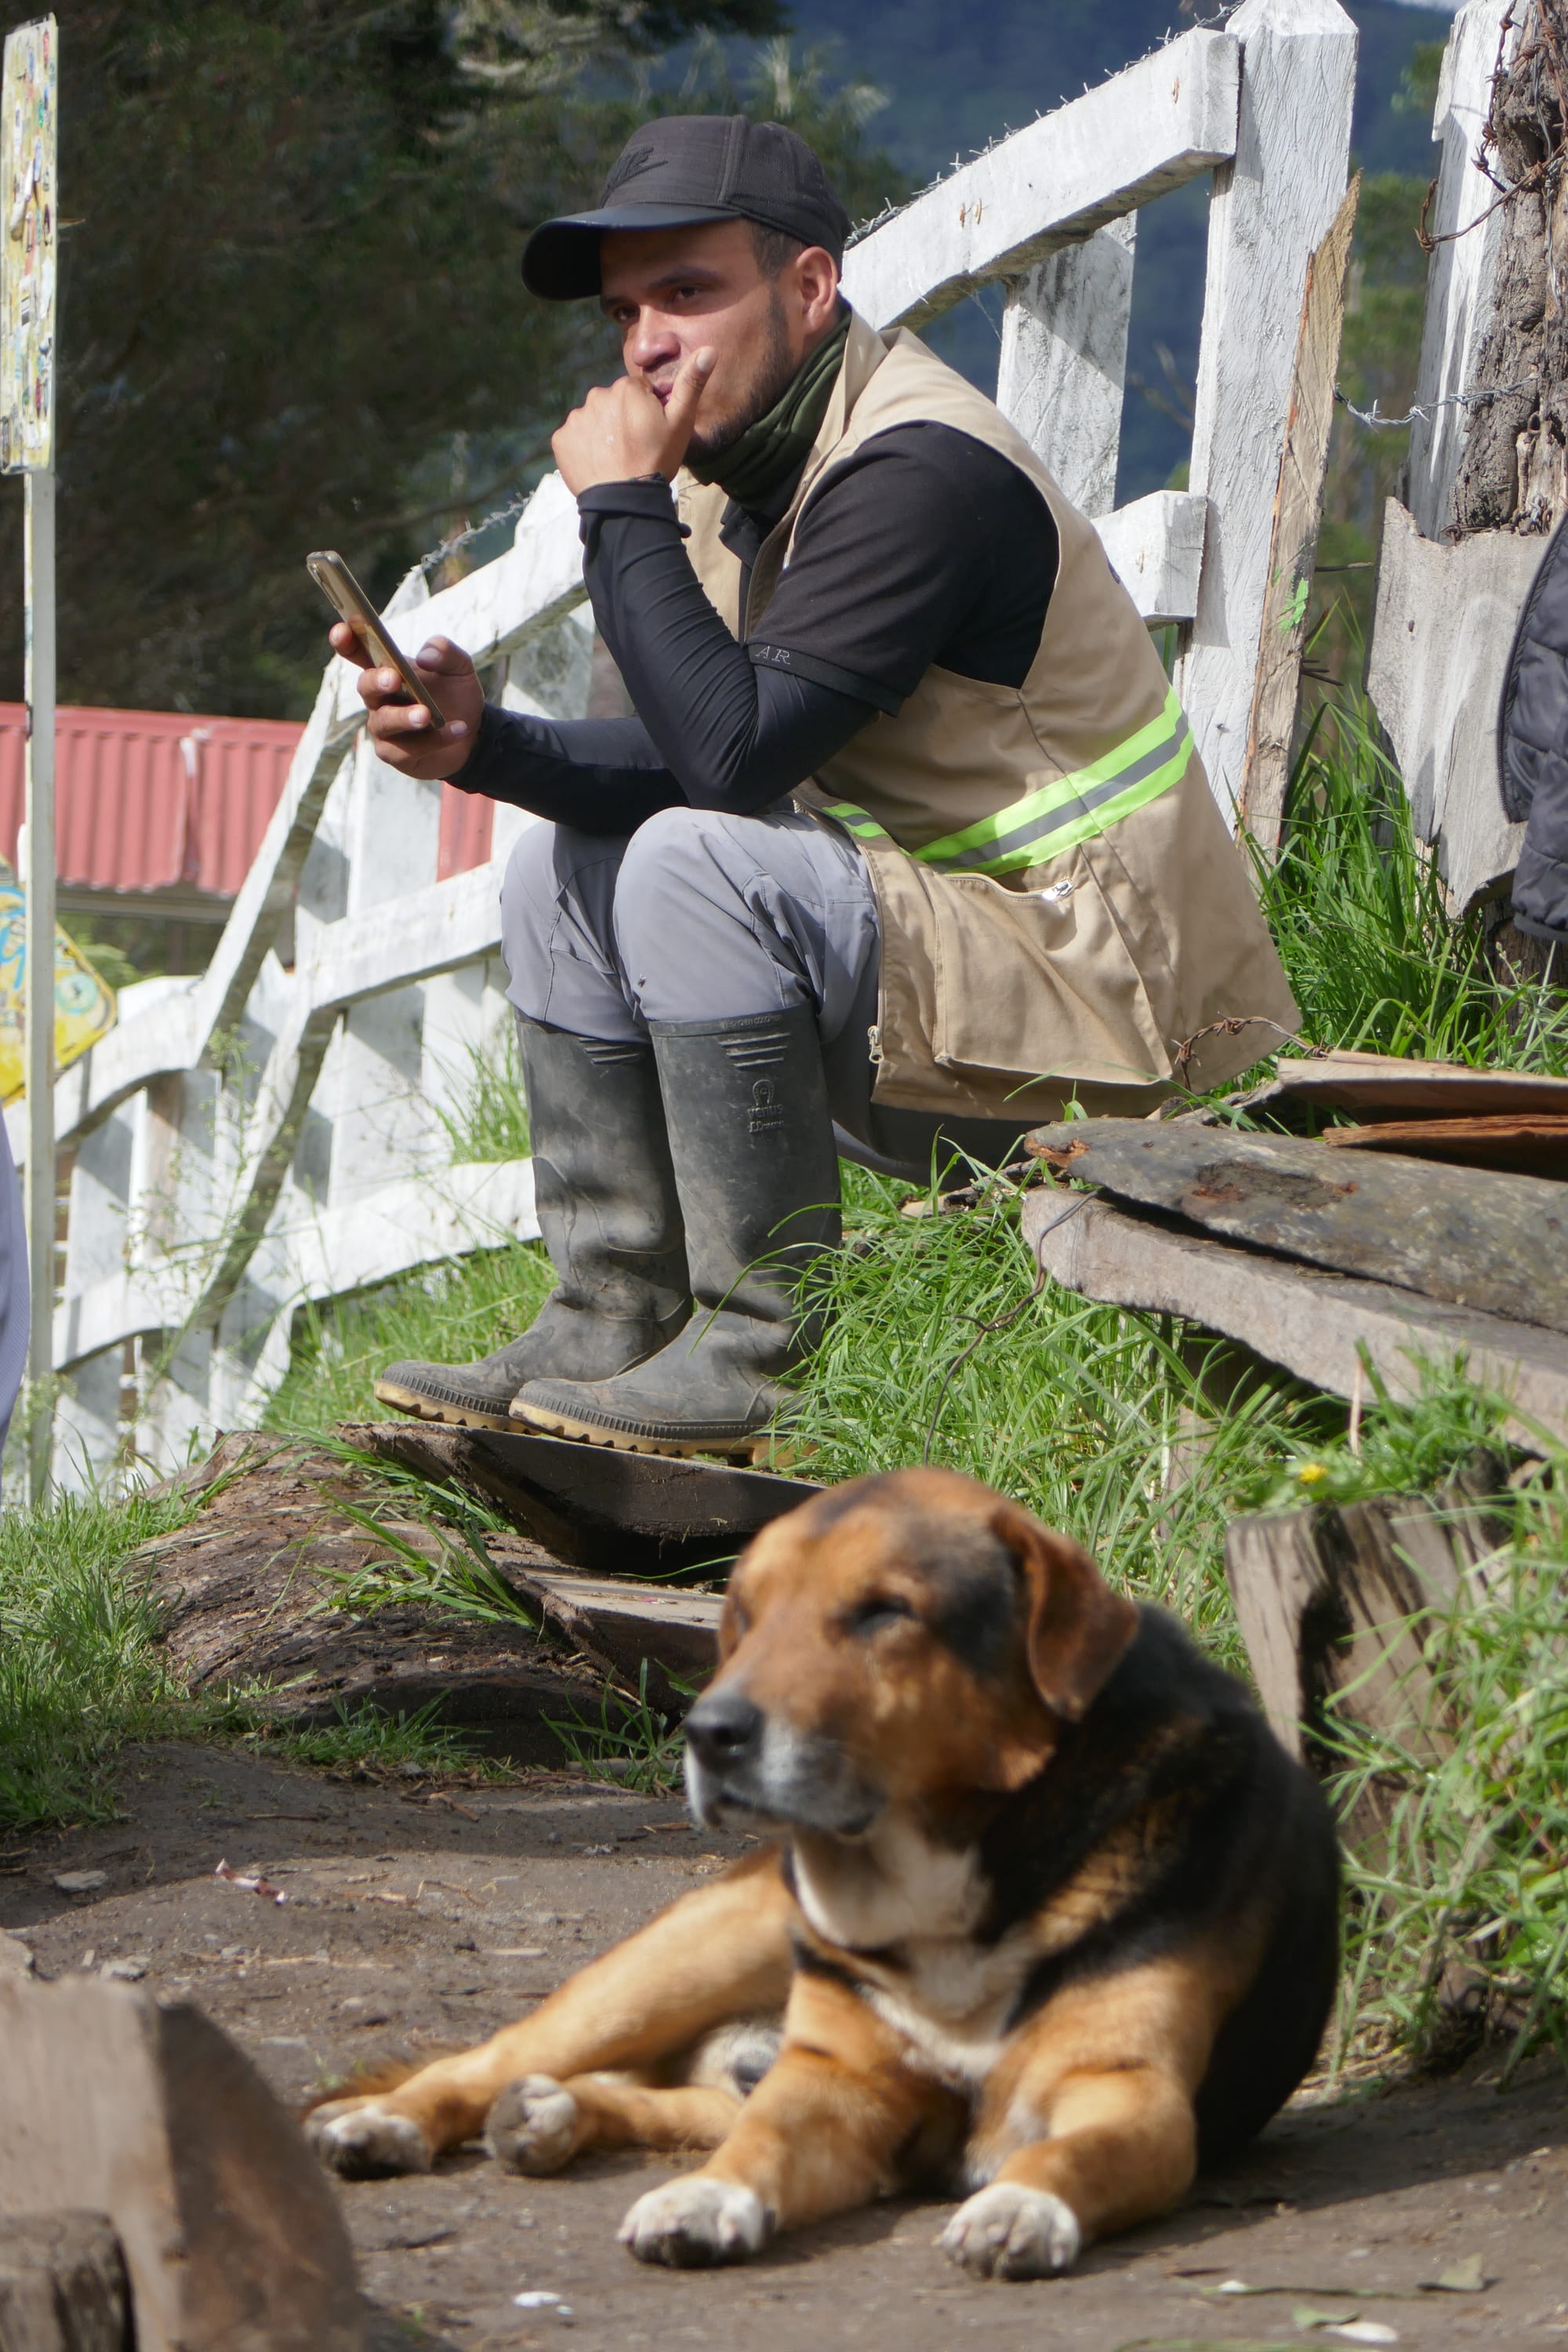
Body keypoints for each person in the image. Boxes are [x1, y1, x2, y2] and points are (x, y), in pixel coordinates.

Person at [335, 114, 1298, 1463]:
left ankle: (758, 1351)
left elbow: (727, 772)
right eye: (626, 311)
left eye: (688, 293)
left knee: (687, 859)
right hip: (968, 993)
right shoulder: (727, 486)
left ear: (809, 289)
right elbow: (680, 757)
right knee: (558, 866)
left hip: (1137, 1031)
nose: (645, 344)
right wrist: (481, 745)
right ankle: (609, 1309)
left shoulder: (919, 472)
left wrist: (618, 513)